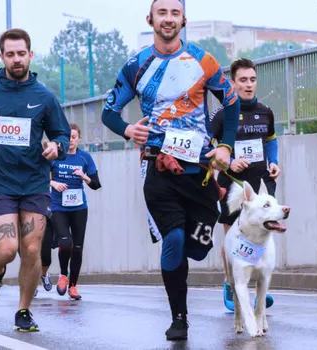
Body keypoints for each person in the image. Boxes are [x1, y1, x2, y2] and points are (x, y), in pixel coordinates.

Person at [101, 0, 239, 341]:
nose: (168, 19)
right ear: (150, 19)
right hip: (157, 166)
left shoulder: (203, 61)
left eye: (174, 13)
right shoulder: (136, 65)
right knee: (174, 239)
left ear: (183, 20)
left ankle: (188, 266)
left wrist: (225, 146)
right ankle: (179, 317)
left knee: (197, 248)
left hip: (200, 170)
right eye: (162, 13)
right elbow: (108, 112)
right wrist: (128, 130)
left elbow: (232, 102)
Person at [0, 28, 70, 332]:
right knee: (7, 249)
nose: (17, 59)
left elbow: (61, 133)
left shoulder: (44, 97)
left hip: (35, 182)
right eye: (11, 54)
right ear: (2, 56)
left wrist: (55, 146)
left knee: (32, 249)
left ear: (30, 55)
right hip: (1, 184)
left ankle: (23, 310)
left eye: (22, 53)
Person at [210, 58, 281, 312]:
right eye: (243, 80)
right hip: (232, 185)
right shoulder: (221, 115)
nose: (249, 85)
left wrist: (274, 162)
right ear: (233, 83)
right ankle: (231, 284)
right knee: (233, 238)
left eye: (252, 79)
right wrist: (228, 161)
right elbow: (209, 148)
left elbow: (271, 140)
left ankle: (259, 287)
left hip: (261, 183)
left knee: (262, 236)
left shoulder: (265, 111)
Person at [50, 123, 101, 300]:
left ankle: (73, 286)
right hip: (58, 207)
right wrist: (54, 183)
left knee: (77, 248)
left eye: (74, 137)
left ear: (78, 138)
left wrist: (84, 176)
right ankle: (63, 275)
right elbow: (41, 177)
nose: (71, 141)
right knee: (65, 243)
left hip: (79, 208)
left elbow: (96, 184)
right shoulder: (55, 156)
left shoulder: (85, 157)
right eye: (68, 137)